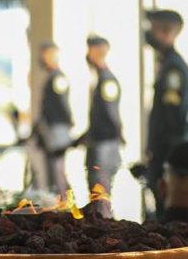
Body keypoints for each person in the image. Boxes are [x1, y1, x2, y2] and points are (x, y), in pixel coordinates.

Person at [143, 9, 188, 218]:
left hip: (167, 151)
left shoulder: (173, 69)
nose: (149, 33)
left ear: (166, 32)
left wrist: (162, 158)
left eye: (154, 28)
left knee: (166, 211)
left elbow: (171, 117)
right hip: (163, 151)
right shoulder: (166, 64)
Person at [80, 35, 122, 214]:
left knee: (100, 192)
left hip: (104, 144)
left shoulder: (107, 80)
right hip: (101, 141)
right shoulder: (100, 79)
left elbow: (110, 114)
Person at [30, 41, 73, 195]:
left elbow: (62, 107)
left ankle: (61, 208)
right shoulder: (51, 78)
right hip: (50, 131)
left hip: (57, 131)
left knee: (57, 174)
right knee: (52, 173)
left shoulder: (57, 78)